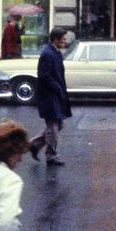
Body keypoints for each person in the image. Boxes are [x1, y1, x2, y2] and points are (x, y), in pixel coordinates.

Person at [28, 27, 72, 166]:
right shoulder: (47, 54)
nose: (65, 42)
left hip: (55, 95)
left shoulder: (55, 52)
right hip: (48, 96)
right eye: (63, 39)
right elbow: (43, 76)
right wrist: (57, 88)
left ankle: (34, 144)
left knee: (58, 124)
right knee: (54, 125)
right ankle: (51, 156)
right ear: (55, 39)